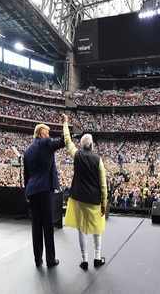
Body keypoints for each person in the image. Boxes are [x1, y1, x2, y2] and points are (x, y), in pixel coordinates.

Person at [62, 114, 108, 270]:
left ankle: (84, 260)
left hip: (79, 198)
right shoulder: (98, 160)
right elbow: (103, 184)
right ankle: (97, 257)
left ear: (81, 145)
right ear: (92, 145)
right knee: (97, 229)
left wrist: (66, 123)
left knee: (81, 229)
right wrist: (104, 203)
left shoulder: (77, 155)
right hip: (94, 199)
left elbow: (67, 142)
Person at [23, 122, 65, 268]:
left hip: (32, 191)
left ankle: (37, 259)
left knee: (36, 226)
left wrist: (27, 193)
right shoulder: (45, 143)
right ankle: (50, 260)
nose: (49, 135)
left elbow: (26, 176)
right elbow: (62, 142)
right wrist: (65, 125)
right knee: (48, 226)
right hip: (44, 190)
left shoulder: (27, 151)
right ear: (41, 133)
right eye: (47, 133)